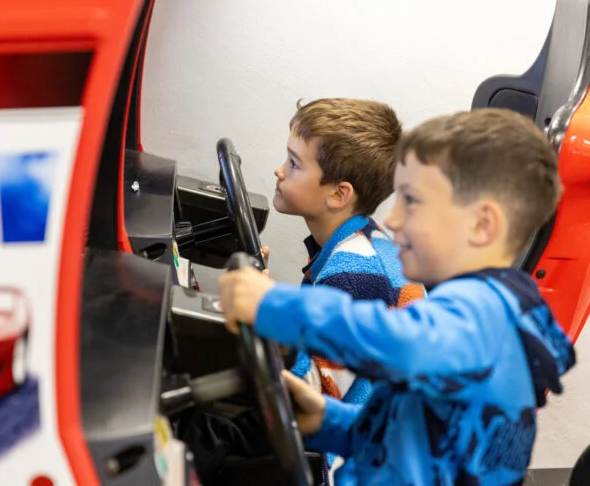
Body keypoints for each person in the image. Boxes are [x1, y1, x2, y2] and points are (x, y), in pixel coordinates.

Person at [219, 108, 576, 485]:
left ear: (482, 225)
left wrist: (272, 304)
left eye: (413, 202)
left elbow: (394, 339)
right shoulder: (483, 315)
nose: (392, 221)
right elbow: (415, 436)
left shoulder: (482, 317)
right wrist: (330, 421)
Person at [267, 99, 424, 459]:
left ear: (339, 194)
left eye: (293, 163)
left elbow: (310, 399)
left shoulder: (357, 273)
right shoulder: (362, 245)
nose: (279, 170)